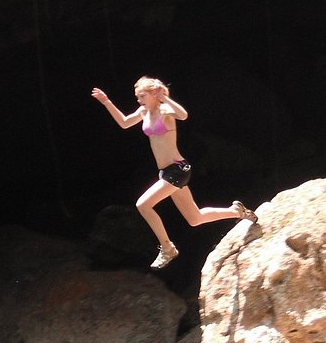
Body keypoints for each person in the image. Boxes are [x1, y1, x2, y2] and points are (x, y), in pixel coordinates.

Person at [91, 76, 257, 269]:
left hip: (178, 169)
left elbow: (183, 115)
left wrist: (165, 98)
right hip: (166, 173)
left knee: (143, 204)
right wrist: (106, 102)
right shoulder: (144, 111)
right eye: (137, 97)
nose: (139, 100)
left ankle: (168, 248)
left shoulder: (165, 110)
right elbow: (125, 123)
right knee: (195, 218)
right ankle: (237, 211)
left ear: (154, 94)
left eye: (142, 95)